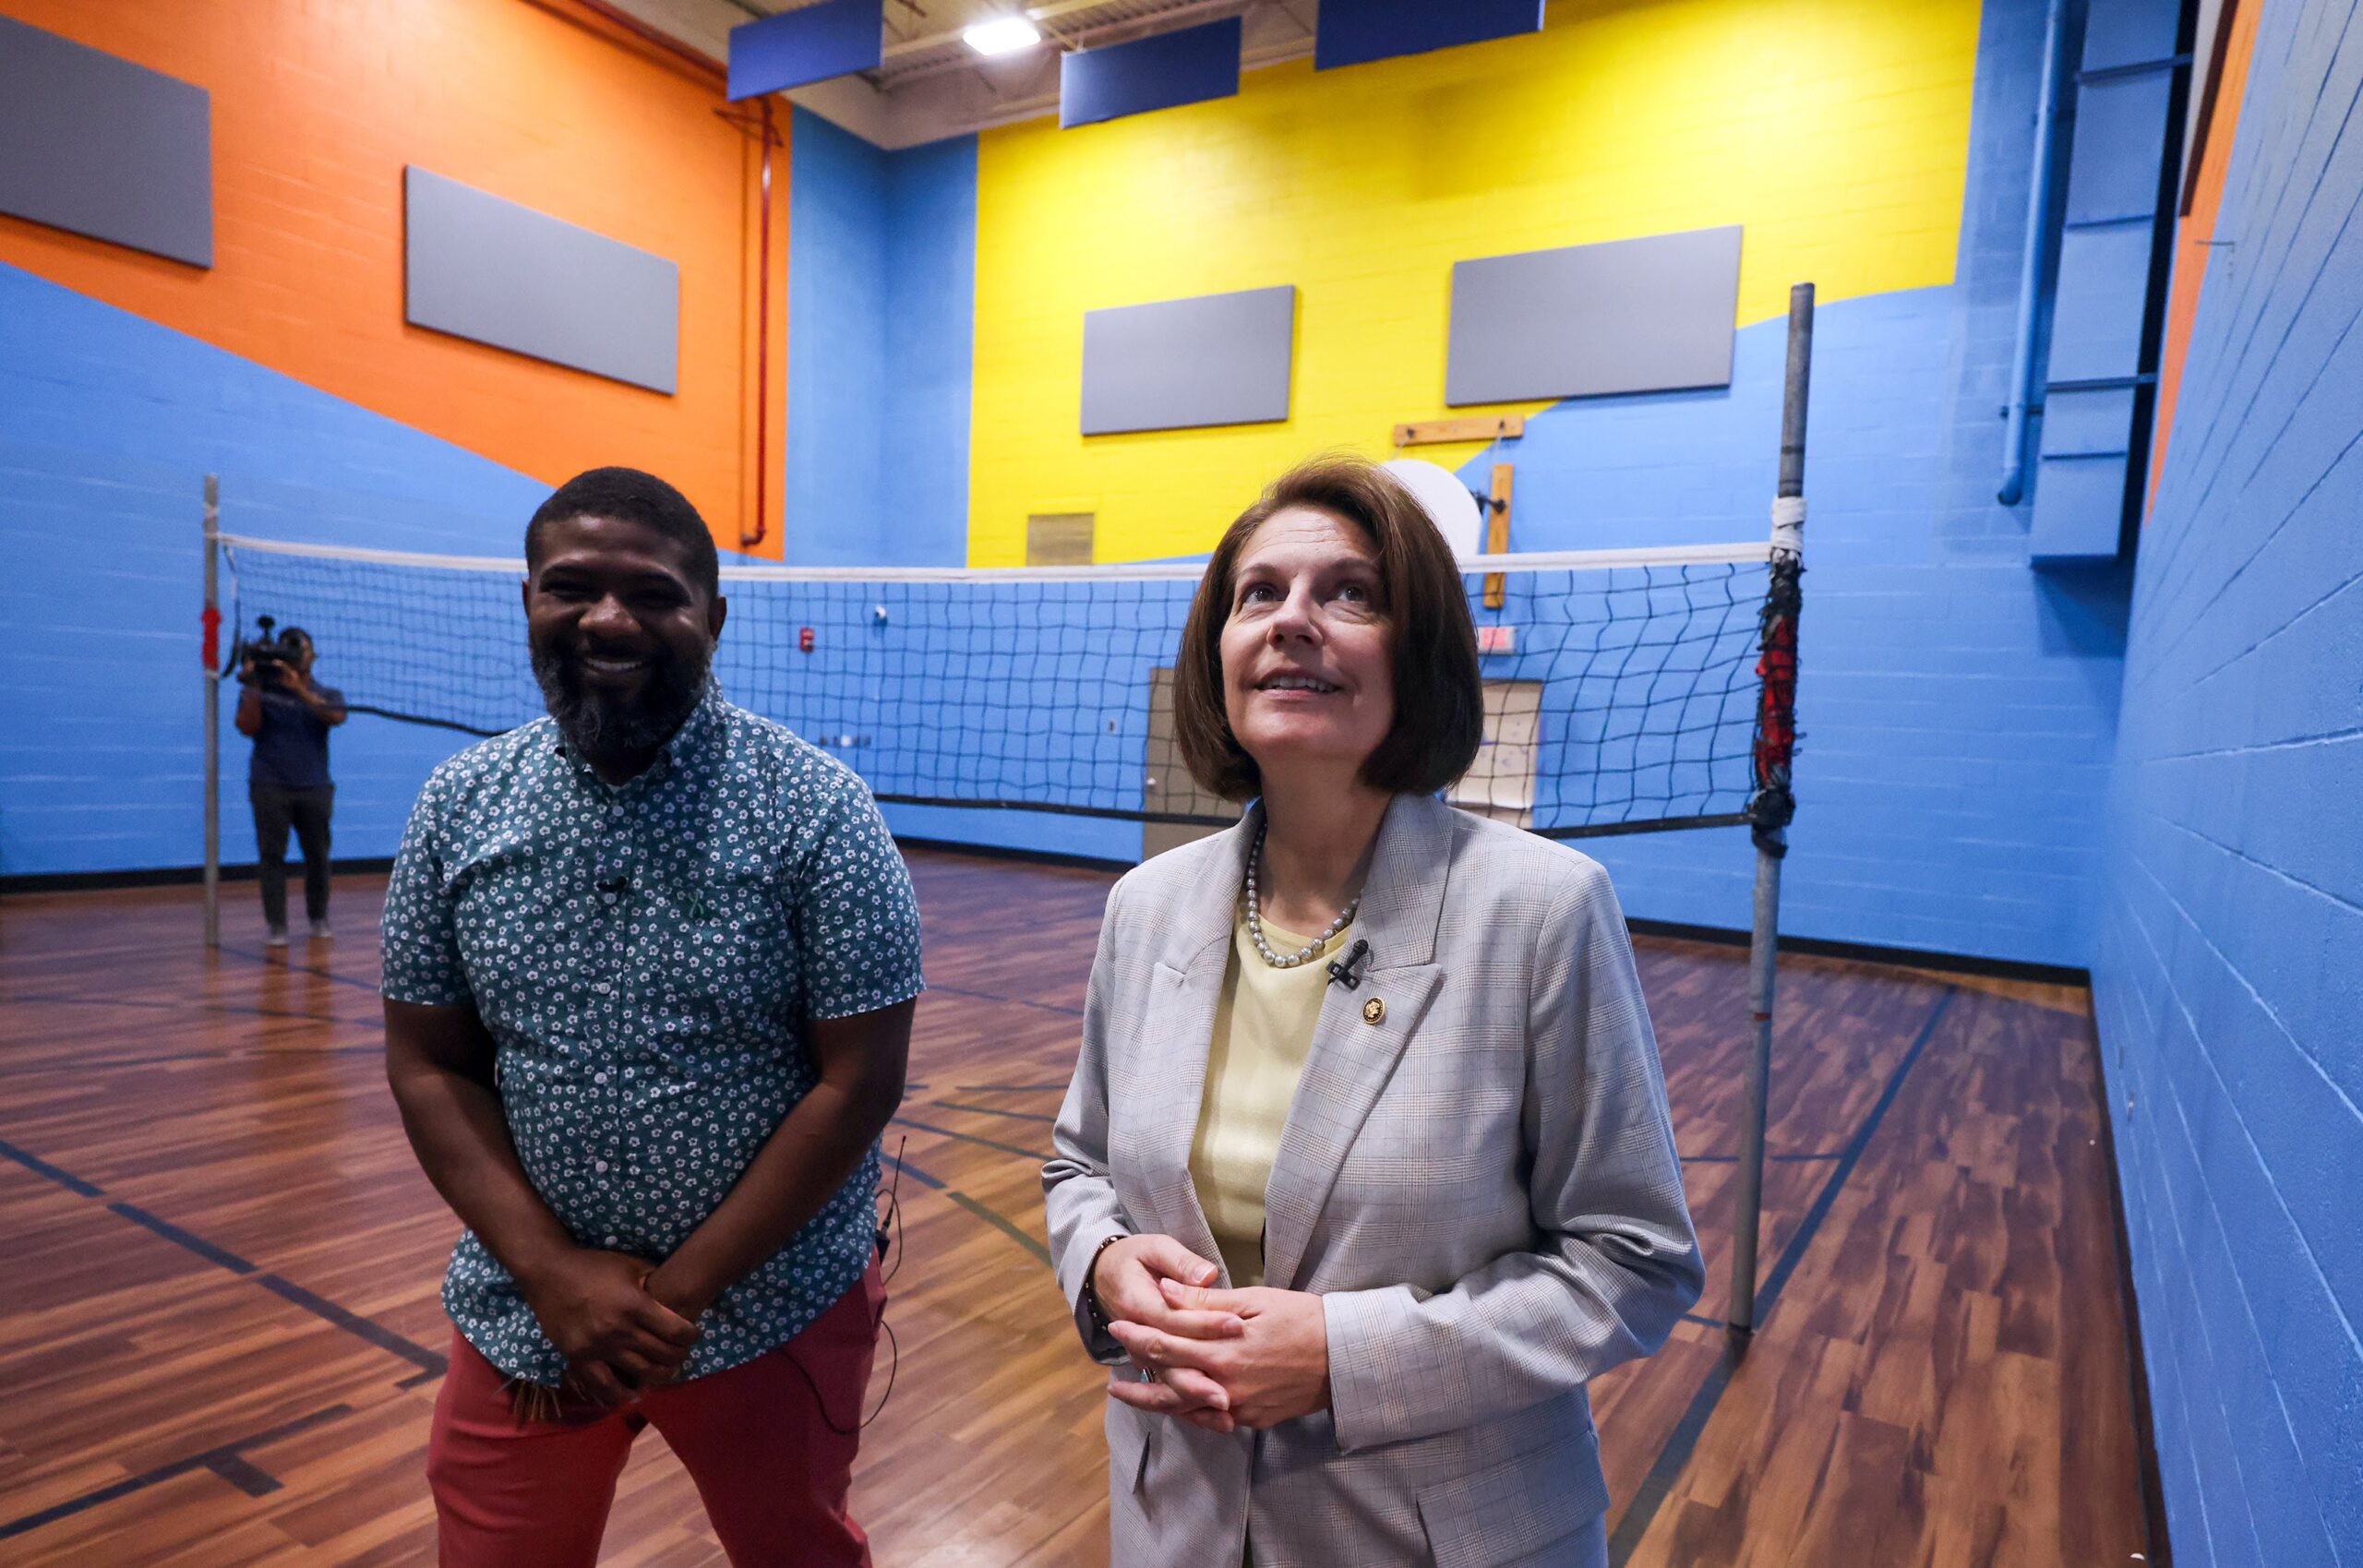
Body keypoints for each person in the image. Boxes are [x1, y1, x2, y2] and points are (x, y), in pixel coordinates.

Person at [1043, 455, 1704, 1568]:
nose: (1292, 620)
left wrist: (1347, 1356)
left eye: (1350, 593)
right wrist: (1103, 1267)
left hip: (1435, 1533)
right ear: (1219, 649)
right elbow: (1077, 1167)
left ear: (1421, 653)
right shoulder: (1147, 907)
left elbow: (1634, 1260)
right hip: (1179, 1519)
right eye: (1259, 593)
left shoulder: (1539, 909)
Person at [380, 467, 923, 1568]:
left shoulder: (818, 811)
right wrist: (554, 1279)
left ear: (712, 615)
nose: (609, 619)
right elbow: (430, 1062)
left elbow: (859, 1079)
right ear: (527, 598)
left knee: (796, 1548)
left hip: (775, 1302)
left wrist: (658, 1306)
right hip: (526, 1309)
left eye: (655, 593)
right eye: (570, 586)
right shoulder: (457, 806)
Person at [234, 625, 346, 945]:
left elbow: (336, 717)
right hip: (270, 785)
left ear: (313, 657)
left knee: (318, 857)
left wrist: (299, 689)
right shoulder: (262, 690)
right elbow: (246, 726)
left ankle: (318, 917)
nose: (297, 656)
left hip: (314, 786)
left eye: (302, 650)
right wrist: (254, 684)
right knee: (271, 856)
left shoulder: (327, 693)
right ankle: (277, 926)